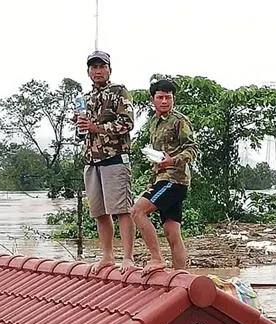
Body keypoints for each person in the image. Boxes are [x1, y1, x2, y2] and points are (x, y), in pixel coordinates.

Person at [75, 50, 136, 273]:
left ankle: (128, 258)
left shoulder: (120, 92)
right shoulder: (84, 98)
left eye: (102, 67)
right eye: (94, 67)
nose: (98, 71)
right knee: (99, 212)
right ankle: (107, 256)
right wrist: (81, 125)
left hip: (115, 158)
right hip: (91, 160)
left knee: (122, 209)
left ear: (109, 69)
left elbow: (127, 124)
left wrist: (97, 127)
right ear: (88, 71)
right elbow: (81, 133)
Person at [131, 79, 197, 275]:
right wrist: (152, 181)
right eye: (160, 97)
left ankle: (156, 258)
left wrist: (172, 161)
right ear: (153, 100)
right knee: (171, 231)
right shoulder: (153, 123)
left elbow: (192, 149)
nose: (165, 101)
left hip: (174, 180)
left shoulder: (180, 121)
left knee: (137, 211)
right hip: (161, 179)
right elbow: (156, 156)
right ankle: (180, 276)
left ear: (173, 99)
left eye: (168, 97)